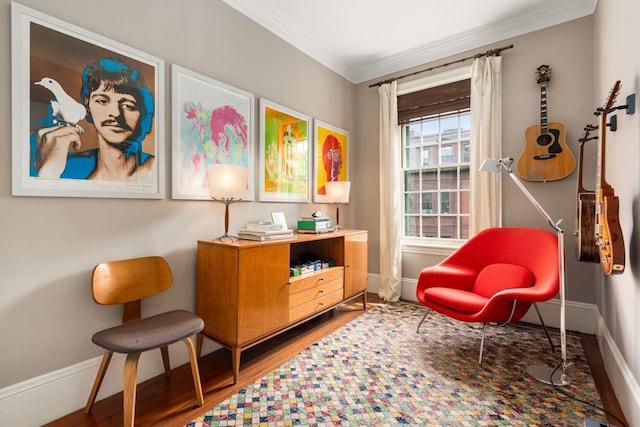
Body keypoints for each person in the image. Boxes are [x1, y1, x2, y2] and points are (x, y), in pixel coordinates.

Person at [31, 57, 155, 182]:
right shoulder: (63, 164)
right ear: (88, 108)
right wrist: (47, 172)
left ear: (145, 118)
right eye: (102, 101)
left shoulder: (157, 172)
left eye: (128, 106)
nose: (116, 113)